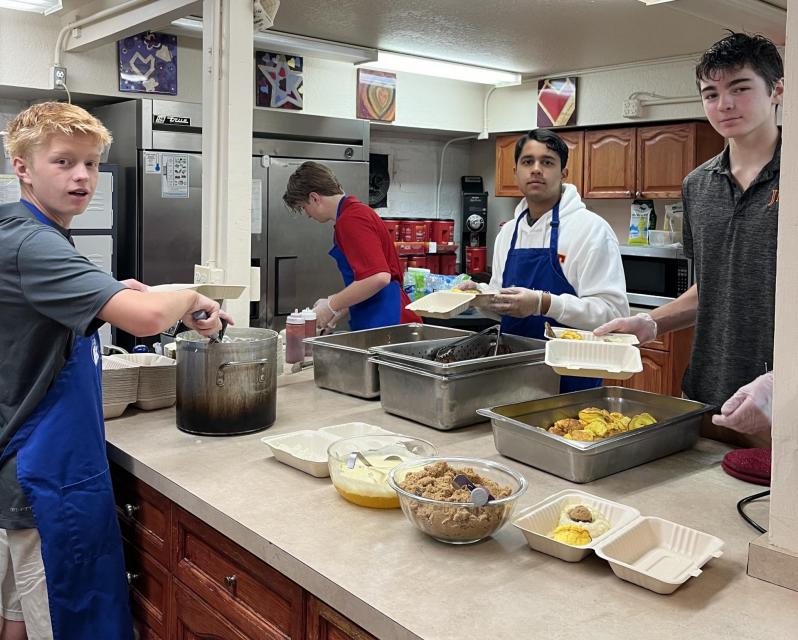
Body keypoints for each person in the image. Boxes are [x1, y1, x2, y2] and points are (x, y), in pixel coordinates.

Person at [0, 102, 231, 639]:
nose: (82, 176)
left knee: (17, 616)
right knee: (64, 621)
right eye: (62, 162)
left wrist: (107, 295)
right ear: (22, 167)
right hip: (45, 475)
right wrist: (192, 295)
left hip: (24, 466)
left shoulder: (27, 231)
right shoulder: (34, 244)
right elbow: (149, 318)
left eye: (91, 163)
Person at [595, 33, 782, 437]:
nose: (724, 104)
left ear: (776, 91)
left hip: (780, 402)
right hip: (705, 394)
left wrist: (780, 383)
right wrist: (649, 322)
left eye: (740, 88)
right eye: (711, 93)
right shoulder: (697, 185)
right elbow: (711, 287)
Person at [463, 129, 628, 392]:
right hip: (513, 375)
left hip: (572, 379)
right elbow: (501, 304)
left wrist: (544, 303)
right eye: (528, 162)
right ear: (515, 170)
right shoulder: (508, 233)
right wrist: (480, 297)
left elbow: (613, 313)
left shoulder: (590, 230)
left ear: (563, 173)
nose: (536, 169)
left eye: (547, 162)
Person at [282, 161, 421, 331]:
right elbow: (366, 280)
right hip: (379, 316)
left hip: (387, 320)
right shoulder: (355, 213)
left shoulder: (351, 220)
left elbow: (379, 277)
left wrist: (331, 305)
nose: (307, 215)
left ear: (314, 198)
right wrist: (339, 309)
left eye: (304, 207)